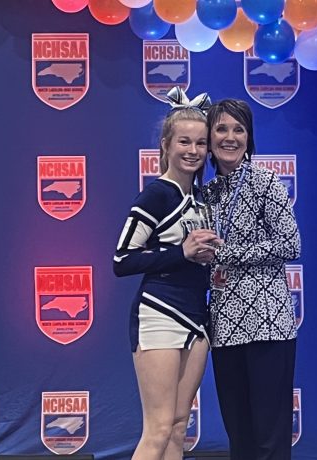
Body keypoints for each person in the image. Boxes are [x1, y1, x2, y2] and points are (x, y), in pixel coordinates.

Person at [113, 87, 221, 460]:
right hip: (160, 314)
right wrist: (181, 252)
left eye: (201, 143)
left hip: (197, 318)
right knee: (158, 428)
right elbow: (122, 259)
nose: (193, 150)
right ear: (166, 145)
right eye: (184, 142)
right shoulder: (156, 196)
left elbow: (197, 258)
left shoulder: (203, 199)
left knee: (178, 425)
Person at [202, 99, 302, 460]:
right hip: (225, 327)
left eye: (239, 129)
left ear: (249, 138)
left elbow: (290, 244)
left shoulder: (266, 181)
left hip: (267, 326)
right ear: (209, 138)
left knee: (269, 439)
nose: (230, 137)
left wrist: (225, 254)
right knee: (239, 436)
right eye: (221, 129)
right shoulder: (206, 194)